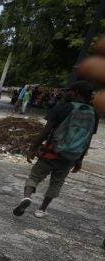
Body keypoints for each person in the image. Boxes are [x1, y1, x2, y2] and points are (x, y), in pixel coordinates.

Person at [13, 81, 97, 218]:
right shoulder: (93, 114)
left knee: (34, 176)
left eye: (69, 90)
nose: (66, 93)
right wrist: (79, 159)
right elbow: (87, 139)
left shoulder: (62, 108)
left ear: (75, 92)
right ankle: (42, 209)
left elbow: (46, 131)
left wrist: (33, 148)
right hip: (70, 156)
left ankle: (27, 197)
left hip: (51, 152)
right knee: (57, 183)